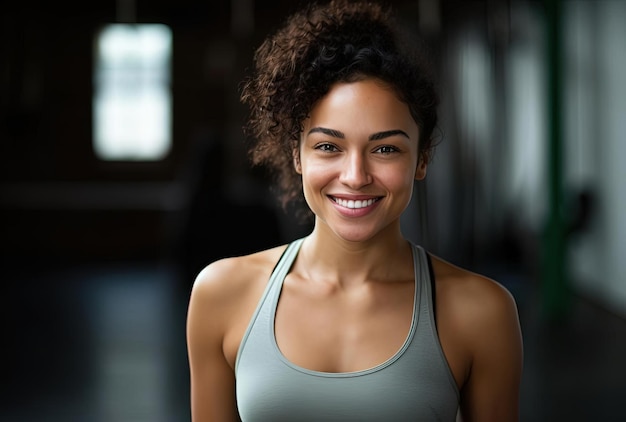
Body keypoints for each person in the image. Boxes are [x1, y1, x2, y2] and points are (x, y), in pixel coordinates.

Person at [186, 0, 524, 421]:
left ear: (421, 160)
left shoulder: (482, 311)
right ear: (297, 155)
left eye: (385, 148)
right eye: (329, 146)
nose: (355, 175)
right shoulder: (222, 294)